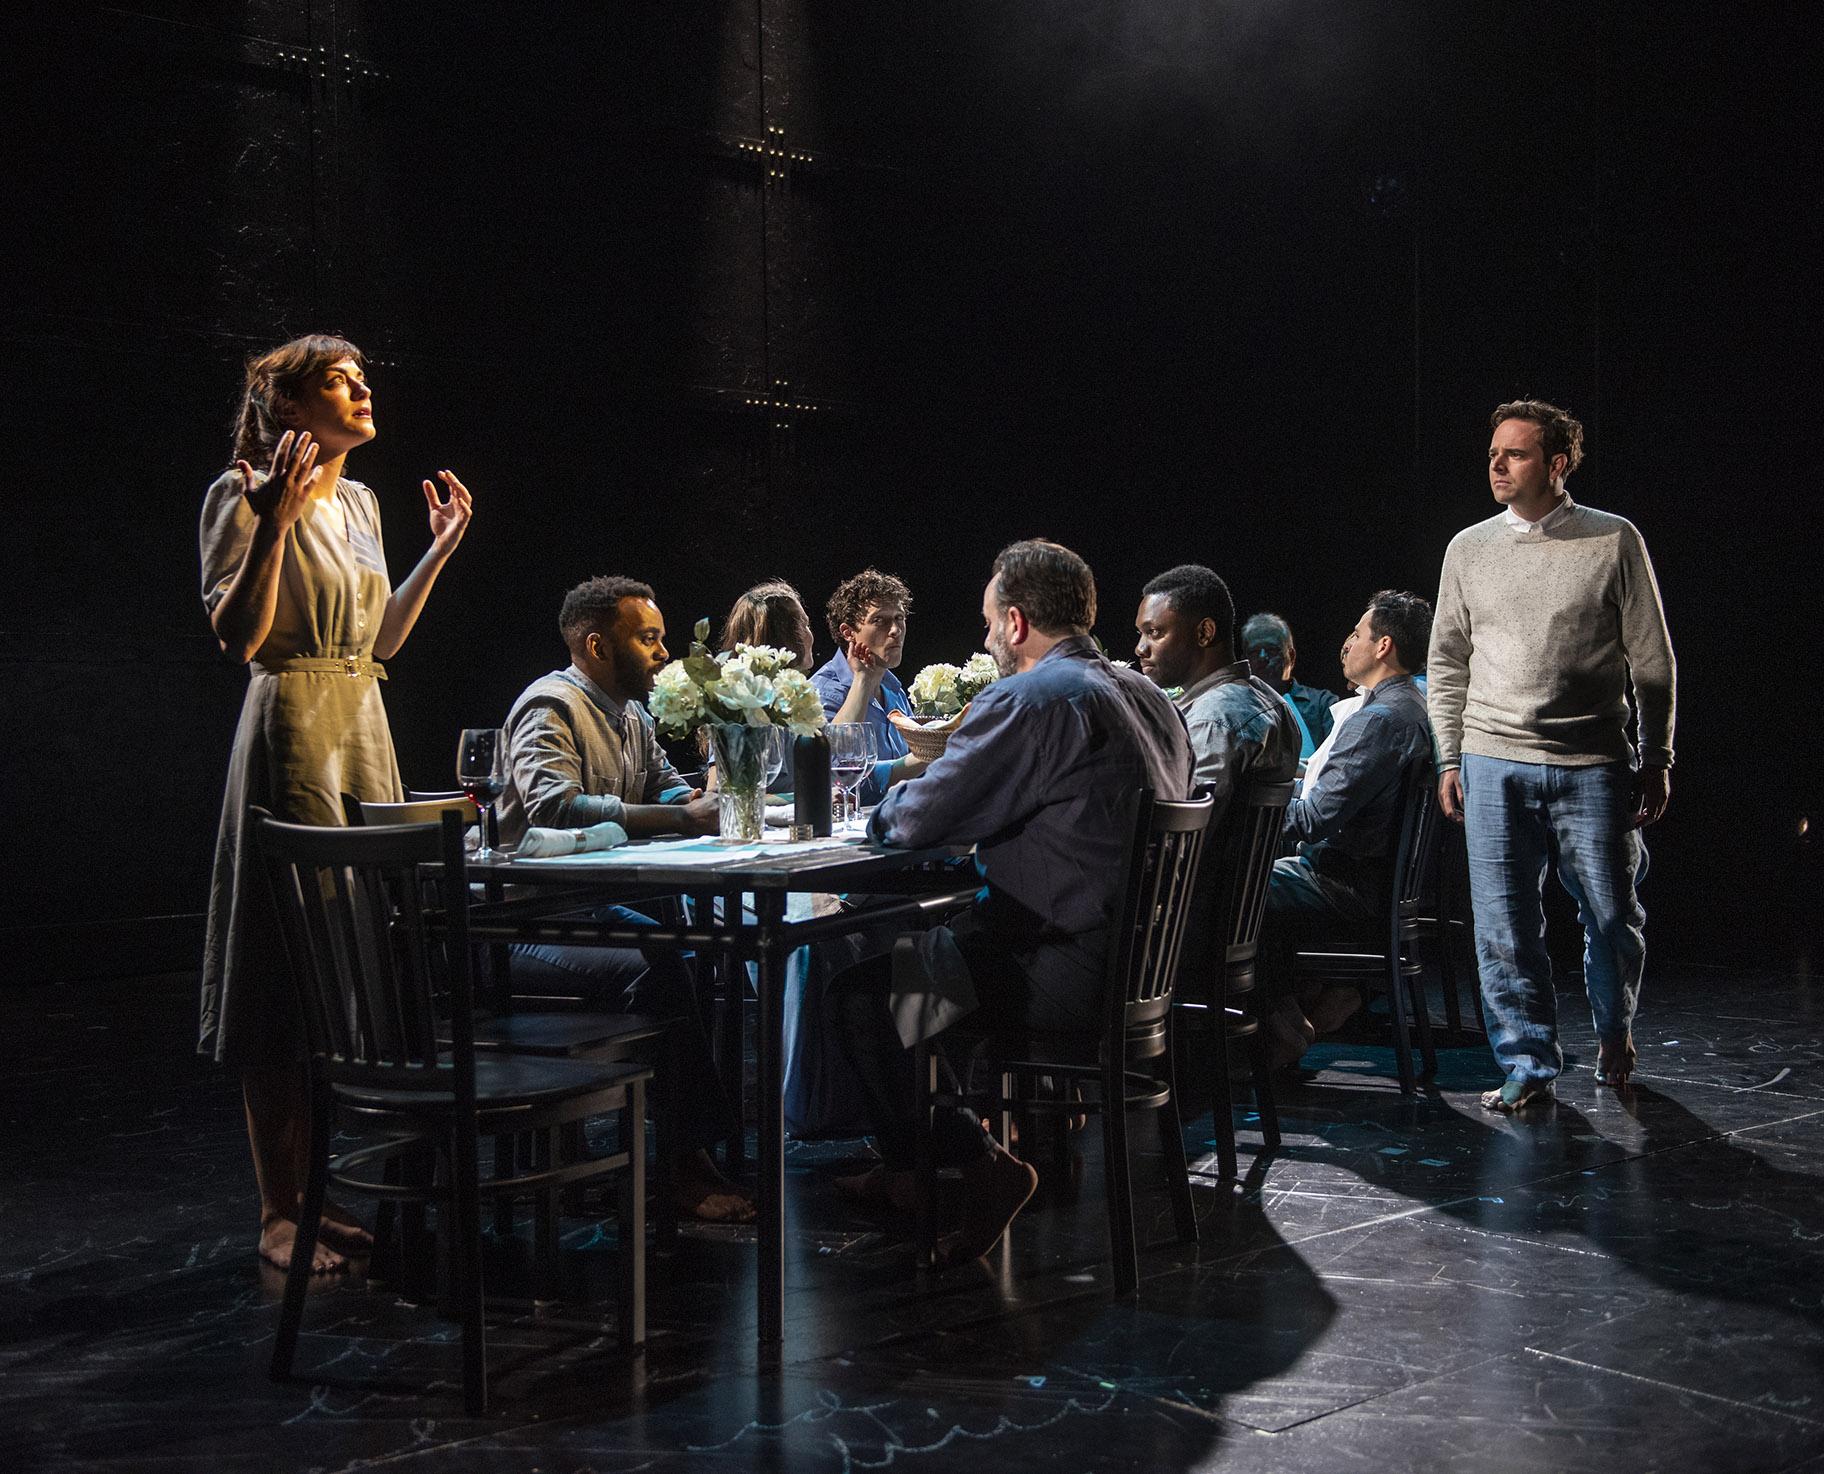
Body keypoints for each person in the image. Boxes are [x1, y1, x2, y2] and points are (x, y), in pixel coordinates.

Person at [828, 540, 1194, 1266]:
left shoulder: (1035, 697)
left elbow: (913, 821)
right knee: (932, 954)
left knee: (865, 998)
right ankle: (919, 1171)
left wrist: (874, 804)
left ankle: (975, 1167)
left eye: (992, 624)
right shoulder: (1149, 696)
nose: (989, 639)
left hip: (1064, 971)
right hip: (1139, 971)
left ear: (1018, 623)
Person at [200, 334, 474, 1273]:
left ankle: (319, 1194)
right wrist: (273, 522)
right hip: (293, 732)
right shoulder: (239, 493)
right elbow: (236, 638)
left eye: (361, 377)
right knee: (285, 966)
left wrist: (434, 556)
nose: (362, 390)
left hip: (364, 724)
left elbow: (383, 639)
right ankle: (279, 1210)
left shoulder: (360, 500)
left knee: (353, 958)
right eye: (338, 381)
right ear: (290, 410)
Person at [1429, 399, 1675, 1112]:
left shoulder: (1611, 540)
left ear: (1557, 463)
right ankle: (1529, 1061)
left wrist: (1656, 755)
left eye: (1516, 454)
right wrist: (1450, 756)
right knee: (1504, 925)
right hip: (1492, 757)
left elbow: (1652, 663)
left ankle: (1613, 1030)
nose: (1497, 465)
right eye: (1493, 453)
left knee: (1610, 917)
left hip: (1591, 763)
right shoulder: (1467, 549)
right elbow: (1446, 662)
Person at [496, 575, 752, 1220]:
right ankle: (683, 1163)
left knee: (689, 953)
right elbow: (553, 807)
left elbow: (665, 789)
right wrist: (679, 820)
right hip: (524, 925)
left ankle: (690, 1151)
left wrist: (711, 799)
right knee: (667, 964)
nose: (663, 653)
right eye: (648, 638)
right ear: (596, 646)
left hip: (587, 916)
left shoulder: (631, 714)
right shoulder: (550, 706)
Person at [1261, 592, 1435, 1066]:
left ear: (1382, 646)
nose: (1348, 642)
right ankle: (1289, 1013)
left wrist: (1247, 815)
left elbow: (1314, 820)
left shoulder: (1379, 719)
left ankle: (1274, 1029)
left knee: (1226, 889)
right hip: (1366, 880)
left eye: (1358, 633)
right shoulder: (1409, 707)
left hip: (1346, 885)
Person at [1134, 563, 1300, 831]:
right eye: (1141, 634)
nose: (1140, 648)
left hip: (1199, 873)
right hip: (1242, 873)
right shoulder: (1275, 703)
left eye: (1155, 633)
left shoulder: (1213, 720)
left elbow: (1180, 839)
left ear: (1204, 633)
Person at [810, 568, 926, 805]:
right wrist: (863, 680)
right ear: (848, 632)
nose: (895, 630)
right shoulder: (822, 692)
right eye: (879, 620)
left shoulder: (893, 688)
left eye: (899, 618)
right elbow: (835, 773)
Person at [1242, 611, 1341, 758]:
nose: (1263, 658)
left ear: (1291, 657)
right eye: (1255, 652)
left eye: (1272, 650)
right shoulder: (1235, 706)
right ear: (1245, 660)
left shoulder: (1323, 704)